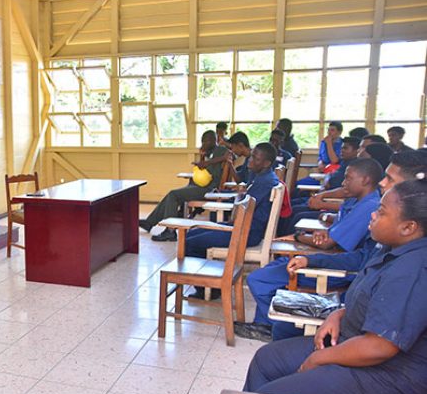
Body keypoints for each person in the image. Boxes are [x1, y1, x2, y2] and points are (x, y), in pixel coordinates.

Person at [196, 177, 427, 394]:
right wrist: (340, 314)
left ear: (408, 227)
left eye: (382, 212)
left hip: (389, 380)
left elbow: (380, 346)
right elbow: (375, 301)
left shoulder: (414, 268)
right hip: (356, 343)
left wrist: (320, 359)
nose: (373, 214)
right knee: (266, 361)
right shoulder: (393, 249)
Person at [236, 150, 427, 342]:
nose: (382, 183)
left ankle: (268, 326)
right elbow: (355, 250)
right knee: (275, 276)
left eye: (389, 179)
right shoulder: (375, 211)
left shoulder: (376, 211)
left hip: (341, 274)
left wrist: (305, 247)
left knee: (262, 280)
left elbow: (349, 254)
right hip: (345, 273)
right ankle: (269, 324)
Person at [185, 143, 279, 299]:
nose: (250, 161)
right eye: (251, 156)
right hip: (244, 227)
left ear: (267, 163)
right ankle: (210, 281)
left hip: (246, 233)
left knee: (190, 242)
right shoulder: (262, 176)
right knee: (191, 234)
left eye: (255, 158)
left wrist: (238, 202)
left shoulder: (265, 182)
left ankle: (208, 288)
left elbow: (242, 209)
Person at [140, 130, 229, 241]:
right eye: (202, 141)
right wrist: (202, 157)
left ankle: (170, 231)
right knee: (171, 195)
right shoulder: (209, 153)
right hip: (199, 186)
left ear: (212, 140)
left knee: (173, 195)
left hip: (209, 190)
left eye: (205, 141)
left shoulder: (221, 150)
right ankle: (150, 223)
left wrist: (207, 162)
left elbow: (230, 156)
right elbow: (202, 170)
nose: (203, 144)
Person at [290, 158, 382, 252]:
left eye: (348, 178)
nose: (343, 183)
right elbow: (335, 231)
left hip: (341, 258)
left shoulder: (368, 207)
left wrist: (298, 236)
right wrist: (325, 233)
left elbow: (326, 243)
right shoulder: (354, 200)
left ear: (365, 180)